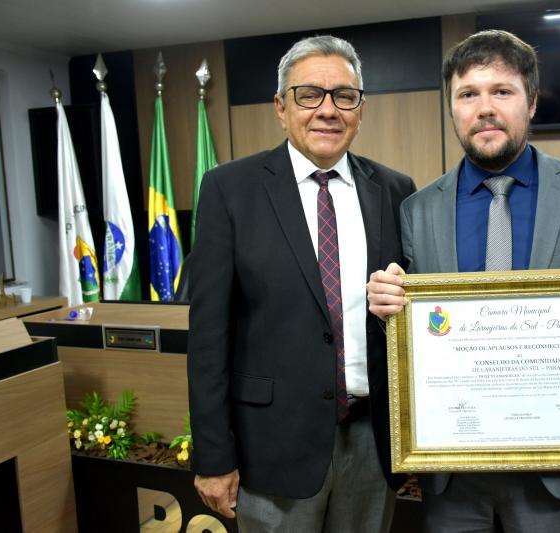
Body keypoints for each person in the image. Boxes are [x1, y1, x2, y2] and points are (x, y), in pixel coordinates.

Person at [367, 30, 560, 533]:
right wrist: (386, 306)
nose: (485, 108)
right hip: (454, 468)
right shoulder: (418, 209)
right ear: (452, 108)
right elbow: (415, 335)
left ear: (532, 102)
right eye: (468, 94)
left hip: (555, 472)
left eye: (502, 91)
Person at [187, 35, 416, 532]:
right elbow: (208, 336)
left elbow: (411, 313)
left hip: (372, 444)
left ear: (360, 110)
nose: (327, 110)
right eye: (309, 94)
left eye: (344, 96)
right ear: (281, 107)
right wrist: (213, 456)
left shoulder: (396, 190)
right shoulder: (229, 189)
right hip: (271, 446)